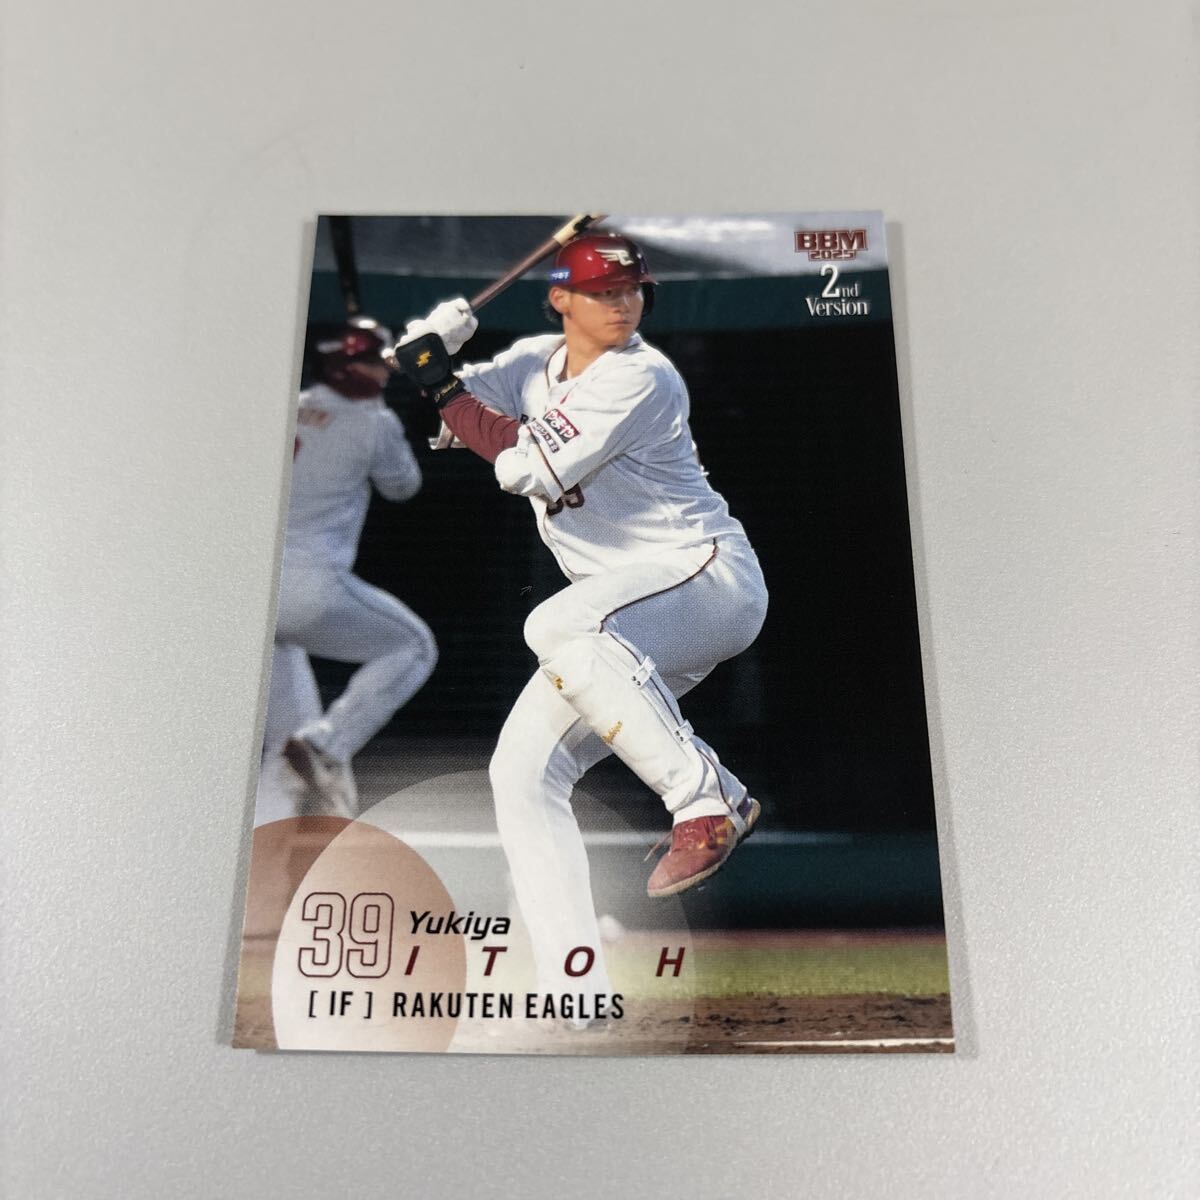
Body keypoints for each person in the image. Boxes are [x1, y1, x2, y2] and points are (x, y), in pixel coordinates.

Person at [390, 233, 767, 1012]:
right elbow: (458, 418)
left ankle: (706, 798)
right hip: (622, 627)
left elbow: (522, 463)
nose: (622, 302)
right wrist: (431, 352)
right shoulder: (533, 362)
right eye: (601, 291)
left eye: (630, 289)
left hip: (702, 579)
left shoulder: (641, 376)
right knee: (523, 775)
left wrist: (439, 383)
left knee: (553, 624)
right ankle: (574, 989)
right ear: (559, 298)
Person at [255, 316, 437, 824]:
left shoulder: (285, 406)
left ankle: (270, 833)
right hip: (307, 587)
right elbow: (403, 486)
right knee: (414, 647)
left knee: (287, 738)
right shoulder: (374, 421)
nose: (383, 371)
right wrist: (382, 420)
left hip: (253, 590)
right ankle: (327, 745)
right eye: (372, 362)